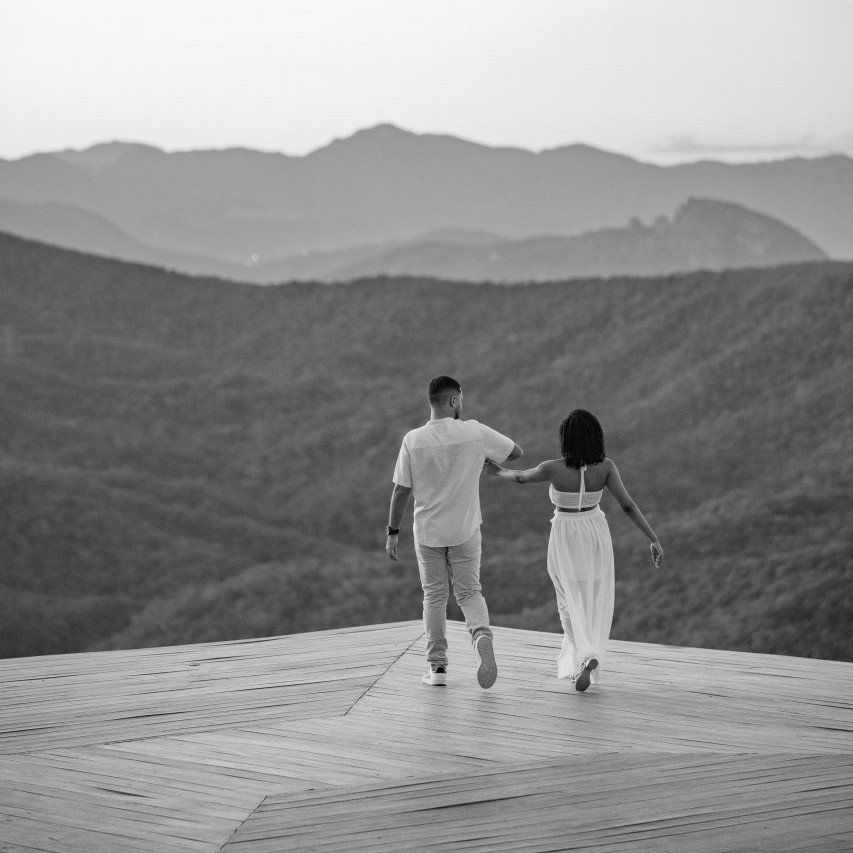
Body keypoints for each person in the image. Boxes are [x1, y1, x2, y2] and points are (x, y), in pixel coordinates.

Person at [485, 409, 662, 692]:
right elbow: (628, 505)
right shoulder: (606, 468)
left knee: (567, 597)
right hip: (595, 532)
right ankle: (587, 655)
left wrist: (497, 471)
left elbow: (521, 477)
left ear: (566, 439)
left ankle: (585, 655)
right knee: (591, 597)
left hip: (566, 534)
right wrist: (653, 539)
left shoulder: (552, 468)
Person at [386, 376, 523, 689]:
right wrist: (484, 458)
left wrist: (393, 532)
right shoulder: (474, 432)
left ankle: (437, 668)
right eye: (460, 398)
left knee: (434, 596)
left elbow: (400, 491)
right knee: (469, 592)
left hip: (428, 532)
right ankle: (481, 637)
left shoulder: (412, 440)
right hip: (465, 529)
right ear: (453, 400)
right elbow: (516, 452)